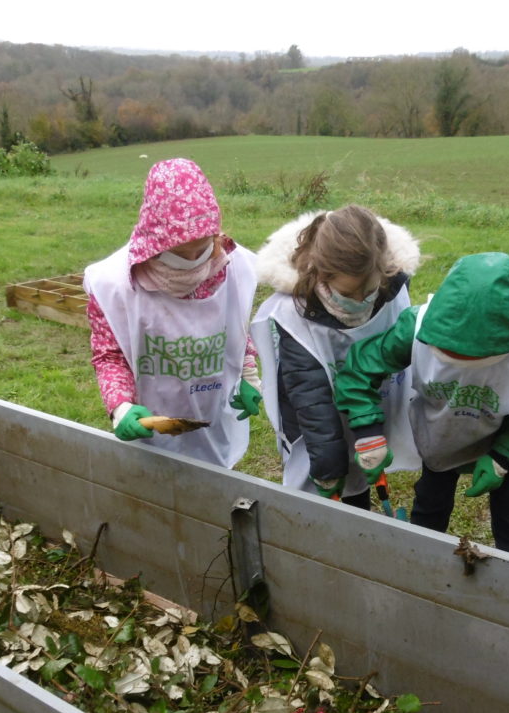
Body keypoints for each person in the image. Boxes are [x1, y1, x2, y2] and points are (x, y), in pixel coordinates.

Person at [333, 252, 509, 557]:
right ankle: (423, 561)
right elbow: (360, 369)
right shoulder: (413, 329)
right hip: (441, 434)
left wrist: (505, 457)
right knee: (431, 503)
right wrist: (367, 431)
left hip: (501, 432)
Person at [83, 158, 261, 469]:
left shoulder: (232, 267)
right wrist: (120, 405)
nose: (193, 261)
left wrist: (248, 373)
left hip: (212, 417)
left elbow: (236, 327)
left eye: (202, 248)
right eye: (181, 254)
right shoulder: (115, 284)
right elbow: (110, 355)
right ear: (155, 244)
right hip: (152, 424)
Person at [250, 205, 422, 506]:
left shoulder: (390, 287)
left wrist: (370, 434)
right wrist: (327, 469)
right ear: (320, 275)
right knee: (325, 492)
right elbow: (310, 398)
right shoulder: (295, 315)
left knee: (360, 479)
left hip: (368, 407)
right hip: (316, 425)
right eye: (347, 293)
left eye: (366, 290)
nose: (358, 301)